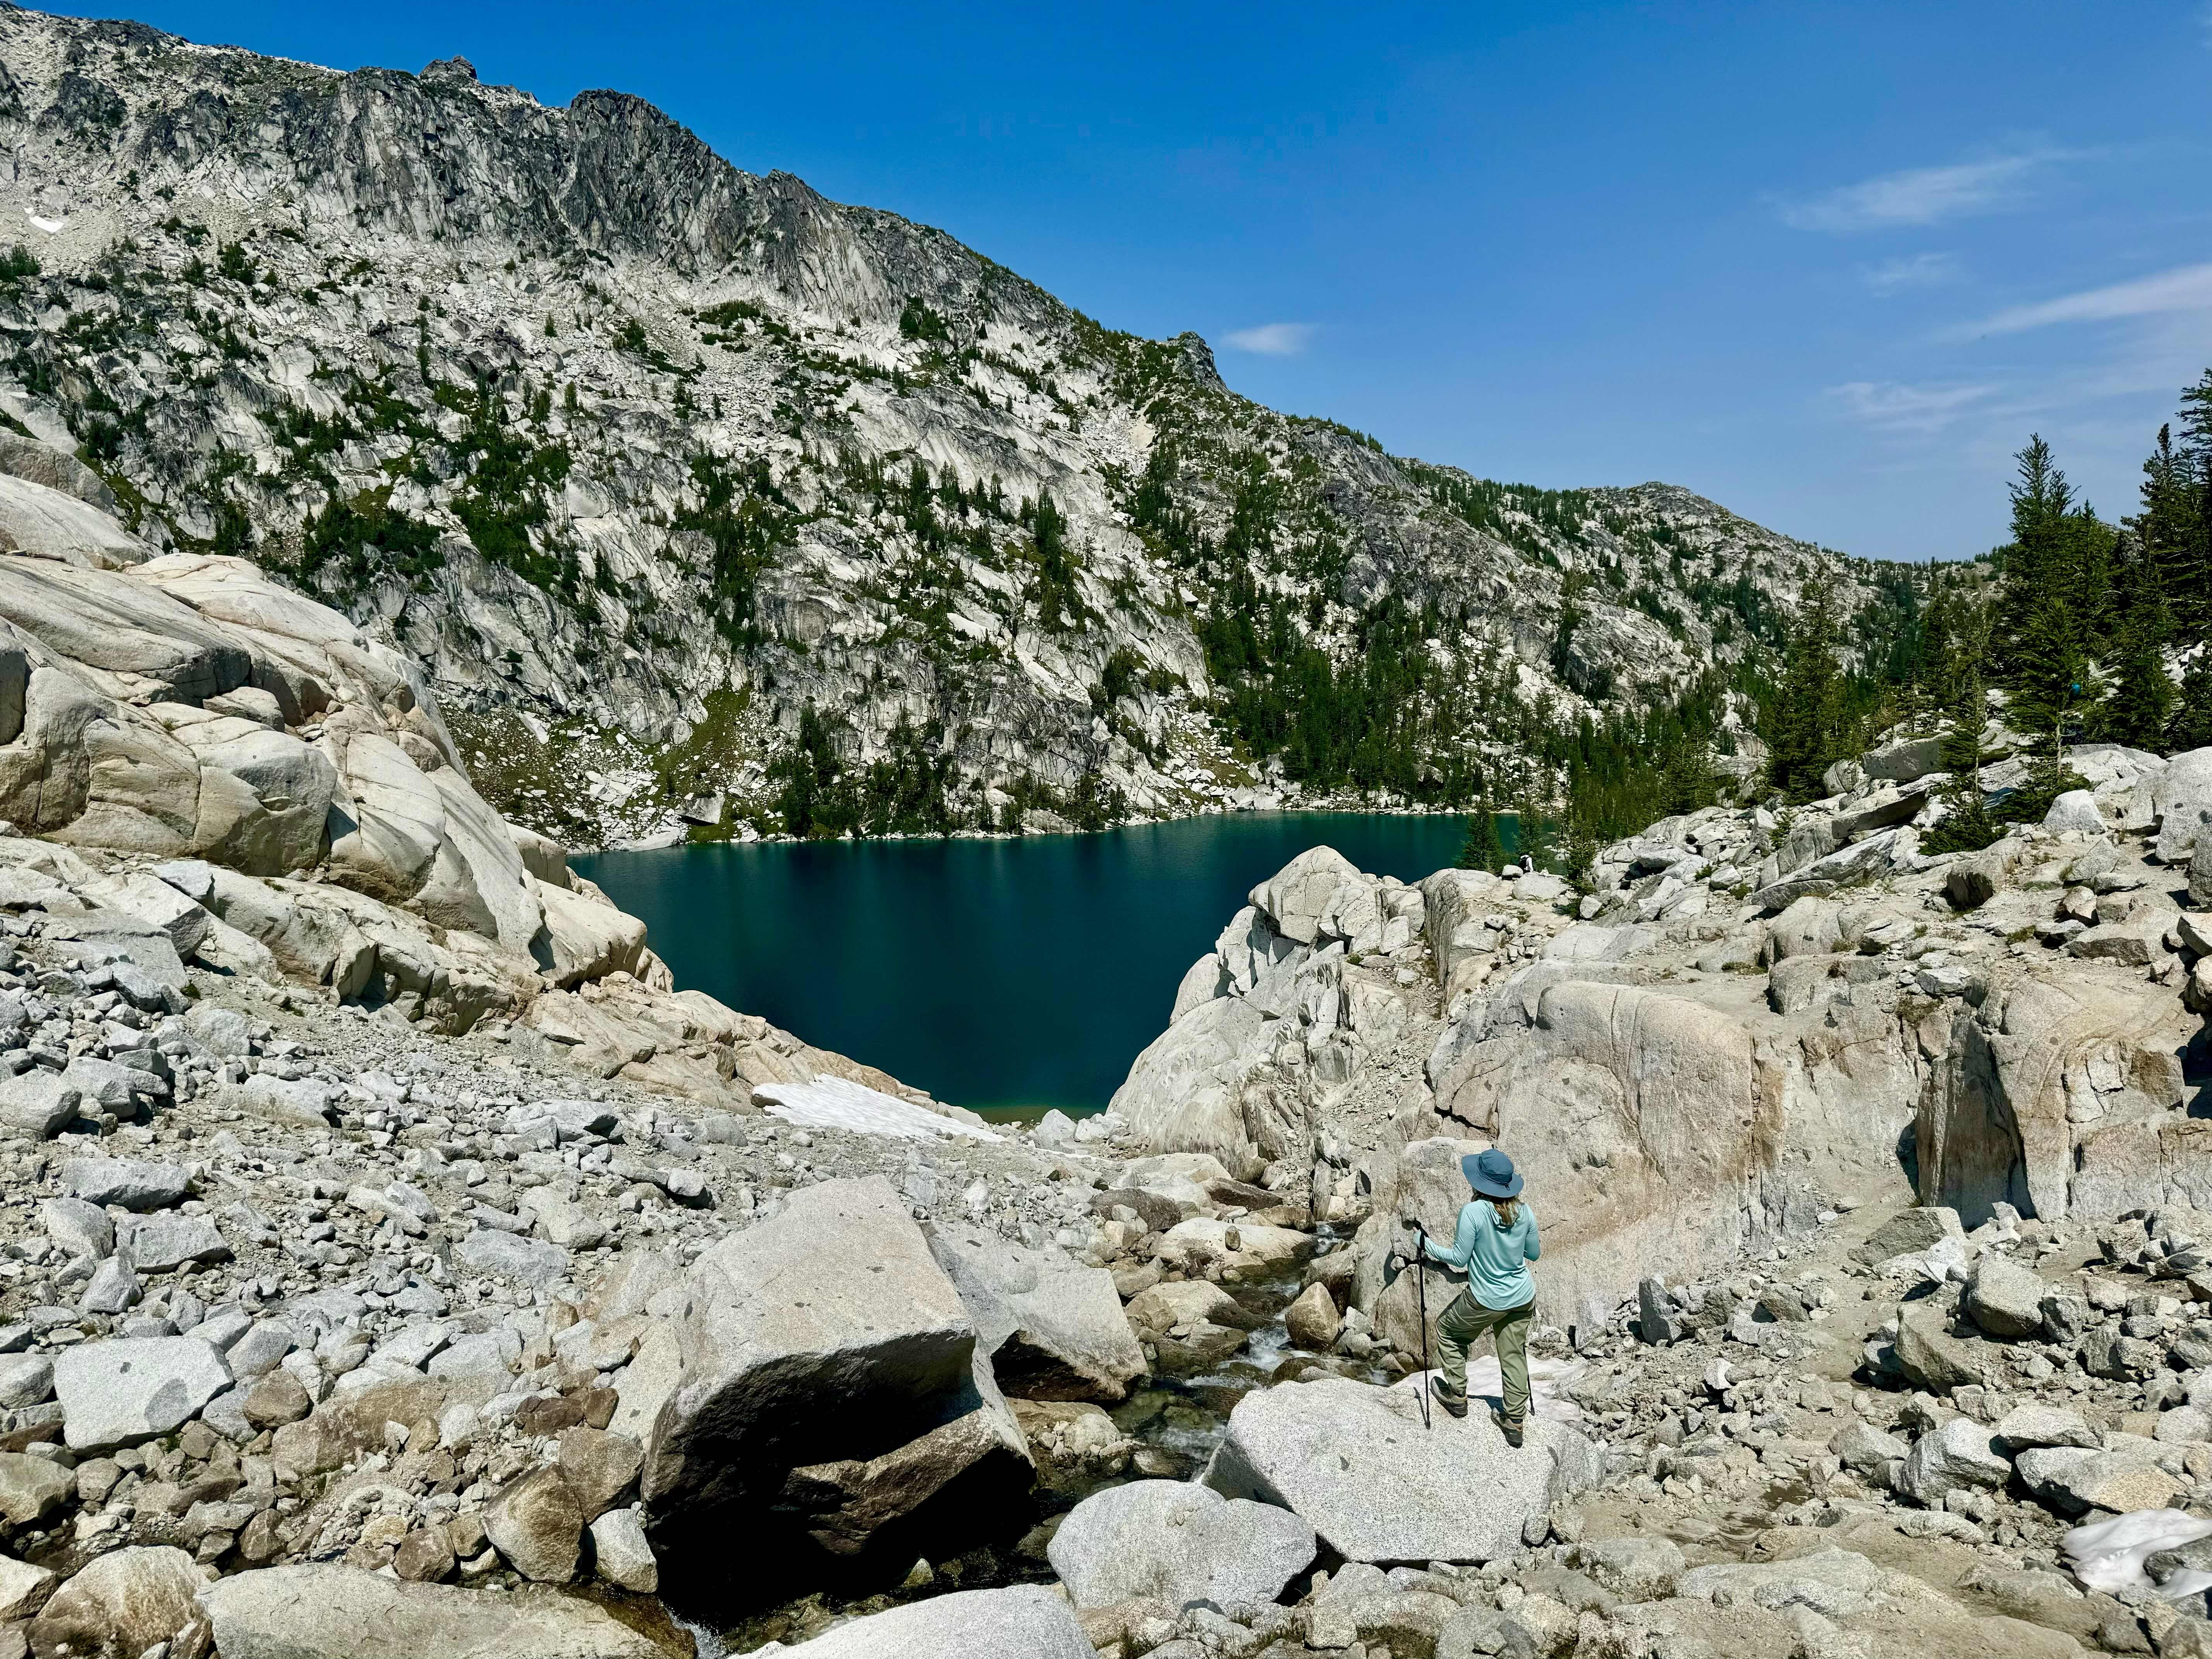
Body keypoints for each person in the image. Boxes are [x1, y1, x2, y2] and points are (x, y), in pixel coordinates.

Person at [1404, 1146, 1539, 1445]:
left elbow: (1459, 1258)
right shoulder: (1525, 1211)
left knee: (1448, 1332)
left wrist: (1425, 1244)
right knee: (1513, 1353)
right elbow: (1534, 1253)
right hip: (1522, 1297)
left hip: (1487, 1298)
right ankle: (1514, 1421)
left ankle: (1457, 1396)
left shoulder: (1474, 1212)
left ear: (1480, 1183)